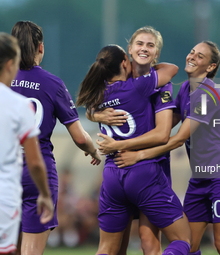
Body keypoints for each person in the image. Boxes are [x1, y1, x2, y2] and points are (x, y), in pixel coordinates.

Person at [99, 41, 220, 255]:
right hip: (199, 177)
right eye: (192, 51)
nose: (192, 57)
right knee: (191, 244)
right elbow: (165, 123)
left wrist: (138, 155)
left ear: (211, 67)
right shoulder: (186, 88)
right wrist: (102, 115)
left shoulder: (206, 94)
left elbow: (176, 139)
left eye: (200, 56)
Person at [76, 44, 191, 255]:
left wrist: (94, 114)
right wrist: (148, 62)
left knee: (109, 248)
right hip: (143, 170)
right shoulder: (141, 86)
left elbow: (88, 107)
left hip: (112, 175)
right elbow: (172, 69)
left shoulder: (99, 92)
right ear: (124, 62)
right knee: (182, 240)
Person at [10, 21, 101, 255]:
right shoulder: (53, 84)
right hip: (36, 171)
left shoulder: (3, 82)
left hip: (5, 170)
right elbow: (80, 138)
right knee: (31, 250)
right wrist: (92, 151)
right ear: (41, 48)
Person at [0, 32, 54, 255]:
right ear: (11, 64)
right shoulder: (19, 105)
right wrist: (45, 193)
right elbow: (34, 162)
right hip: (5, 194)